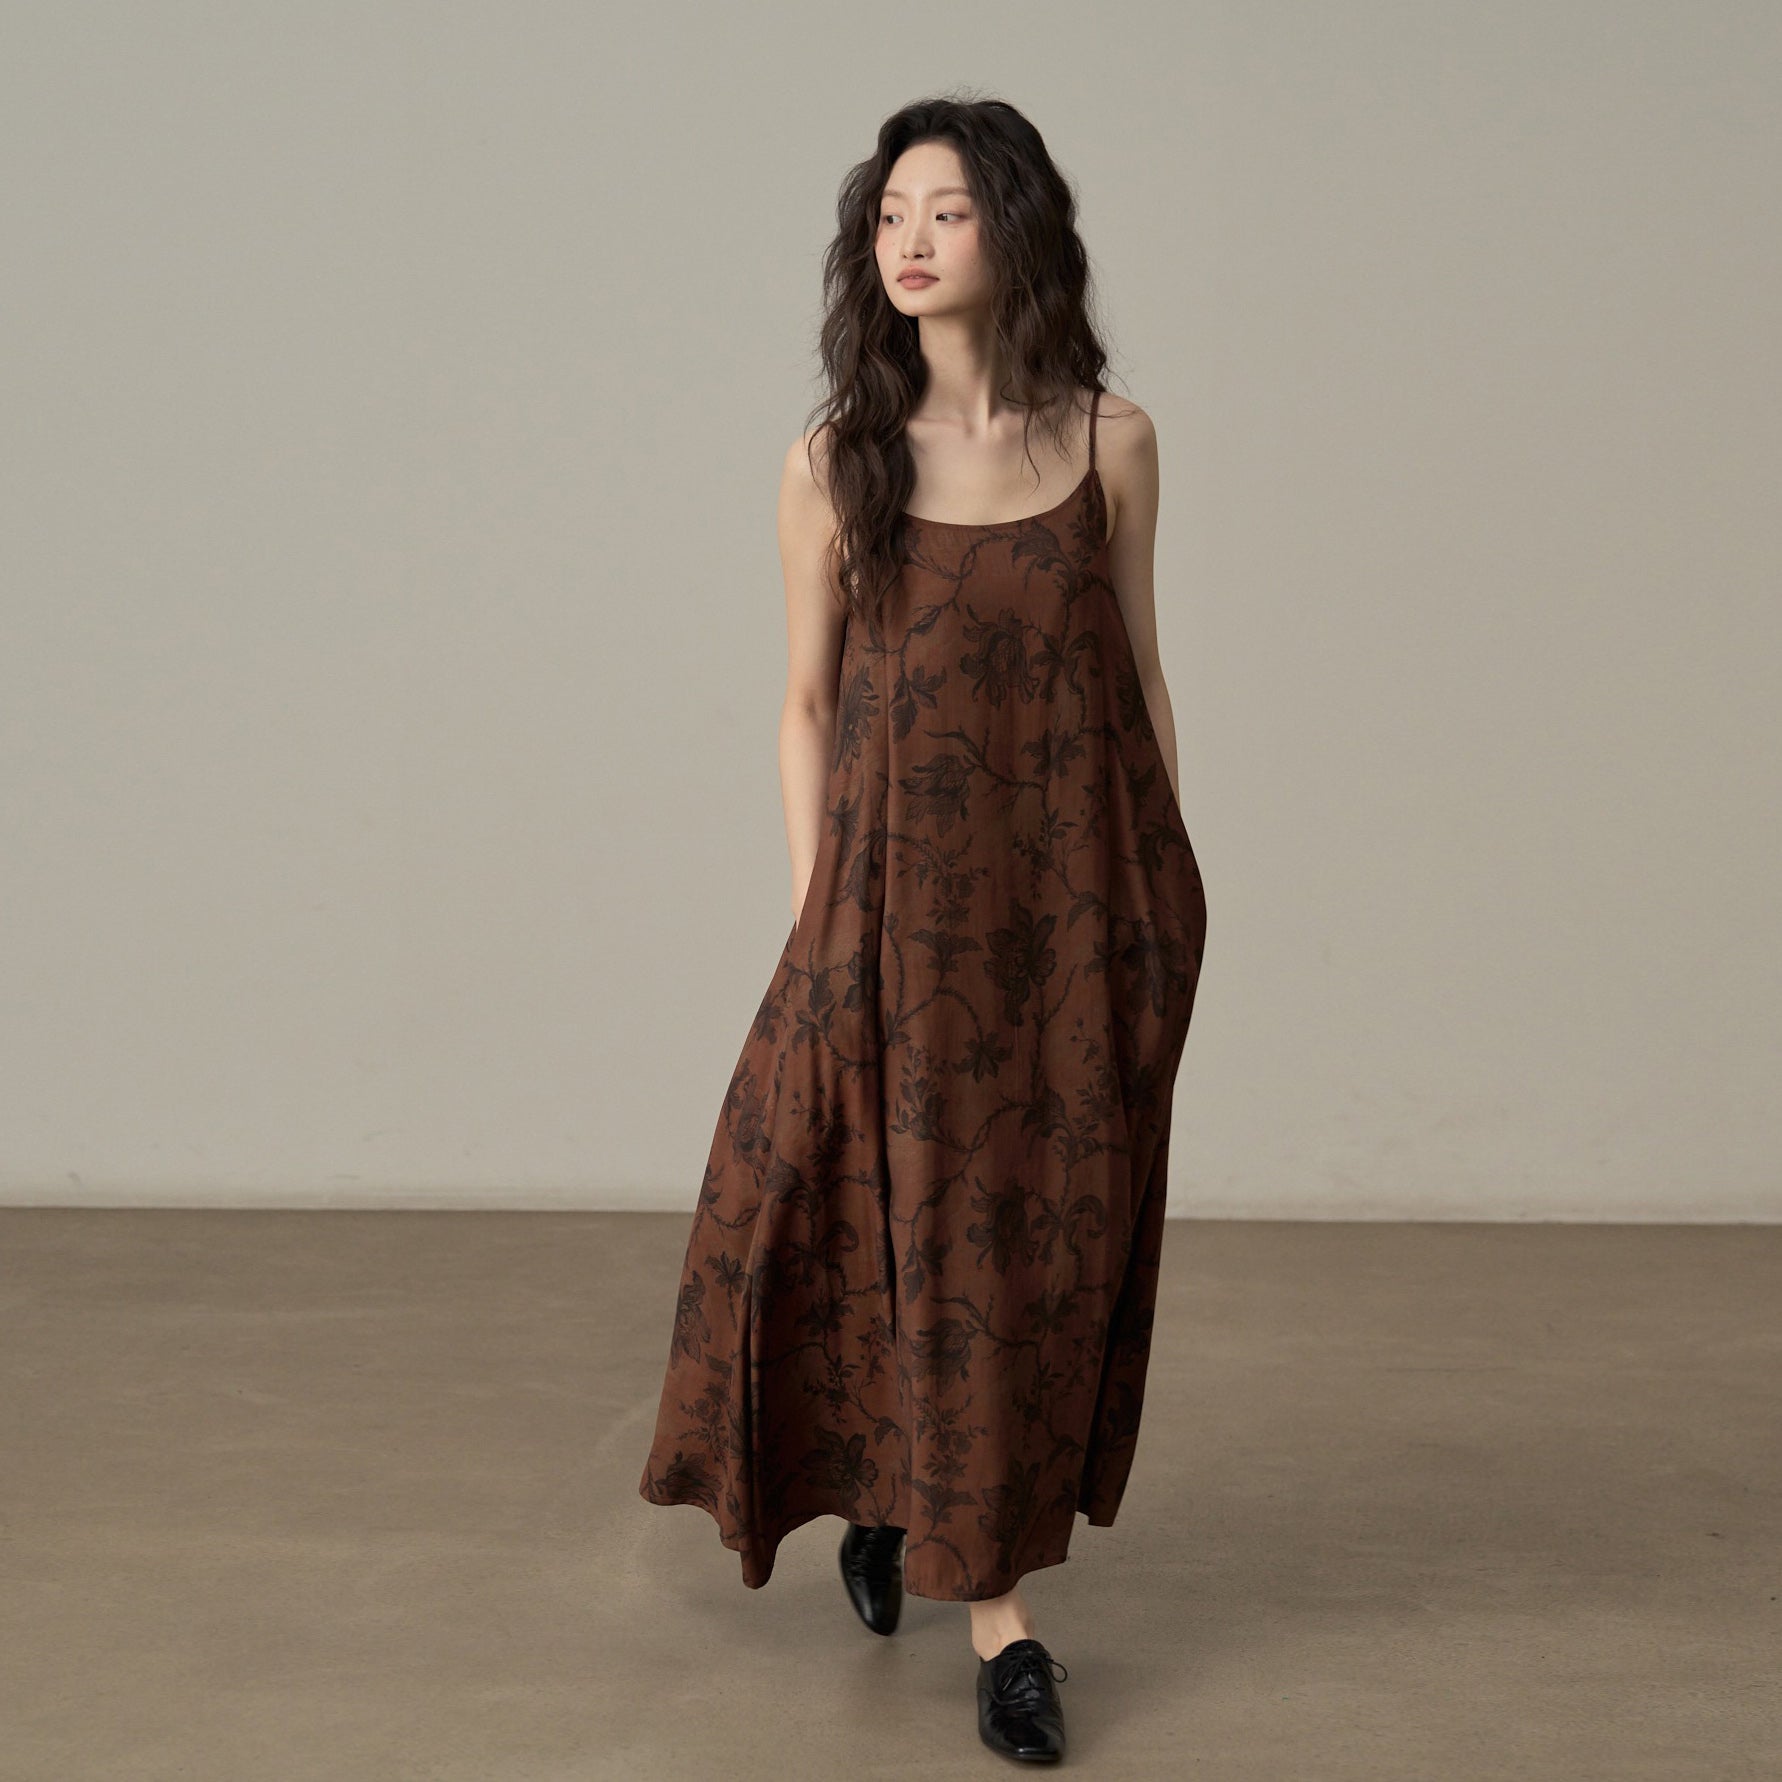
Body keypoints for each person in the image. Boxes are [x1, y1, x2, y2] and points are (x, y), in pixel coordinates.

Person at [638, 92, 1208, 1765]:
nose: (907, 238)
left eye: (944, 209)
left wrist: (1165, 893)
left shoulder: (1113, 443)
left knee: (1029, 1246)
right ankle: (1002, 1628)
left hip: (1071, 917)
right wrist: (820, 909)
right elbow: (805, 703)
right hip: (891, 916)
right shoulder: (834, 462)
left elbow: (1137, 677)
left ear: (1012, 231)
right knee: (877, 1218)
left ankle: (917, 1504)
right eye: (889, 211)